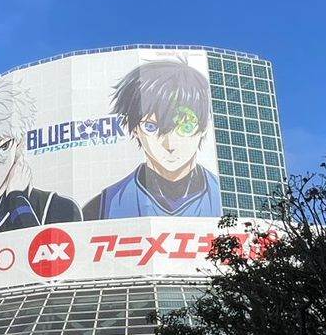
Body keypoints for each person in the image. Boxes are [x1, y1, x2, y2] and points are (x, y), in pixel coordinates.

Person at [83, 59, 222, 219]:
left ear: (204, 127)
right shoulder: (104, 205)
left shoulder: (224, 198)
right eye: (151, 127)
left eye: (185, 126)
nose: (169, 144)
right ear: (135, 128)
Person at [0, 79, 81, 238]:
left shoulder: (57, 207)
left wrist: (17, 199)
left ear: (18, 144)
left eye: (4, 146)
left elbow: (42, 251)